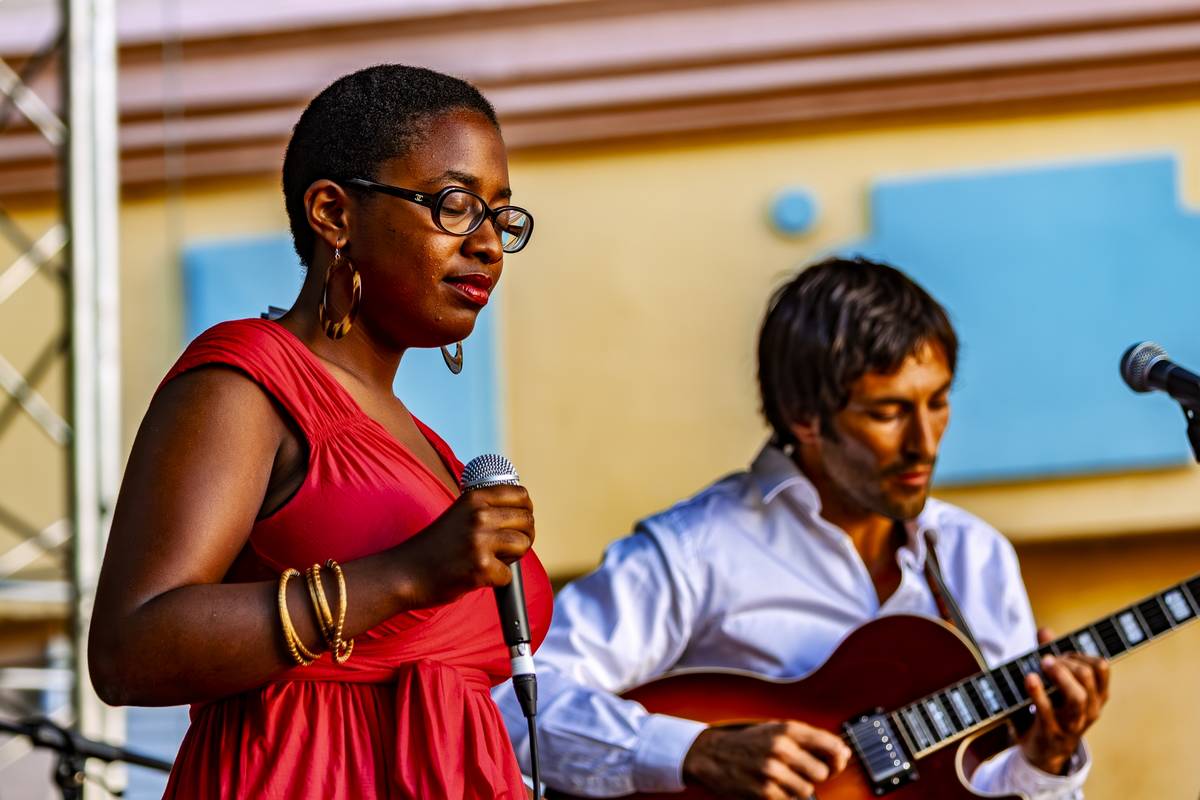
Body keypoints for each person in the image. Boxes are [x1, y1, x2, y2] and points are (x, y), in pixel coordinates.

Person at [87, 64, 551, 799]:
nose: (490, 243)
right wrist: (408, 574)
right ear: (334, 213)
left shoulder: (433, 448)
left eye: (502, 215)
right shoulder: (246, 382)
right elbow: (128, 649)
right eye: (457, 205)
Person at [495, 257, 1109, 799]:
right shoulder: (697, 551)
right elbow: (512, 704)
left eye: (938, 401)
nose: (925, 443)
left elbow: (981, 786)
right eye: (889, 412)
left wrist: (1045, 762)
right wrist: (696, 753)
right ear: (804, 417)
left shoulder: (976, 558)